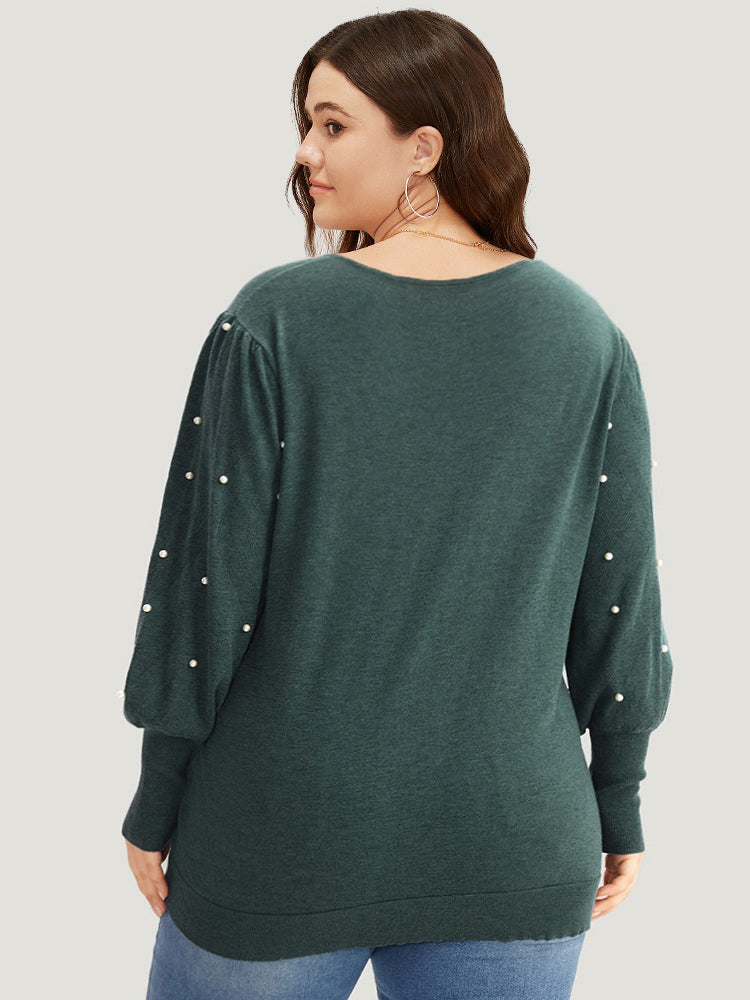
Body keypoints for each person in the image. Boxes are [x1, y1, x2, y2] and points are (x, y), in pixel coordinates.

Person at [120, 10, 673, 1000]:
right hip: (516, 838)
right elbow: (621, 597)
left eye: (333, 125)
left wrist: (157, 795)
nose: (305, 153)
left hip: (280, 837)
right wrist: (618, 798)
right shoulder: (586, 335)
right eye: (306, 124)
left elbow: (205, 588)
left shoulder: (276, 320)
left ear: (424, 147)